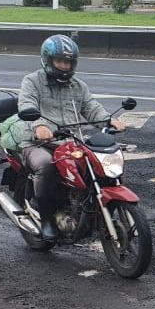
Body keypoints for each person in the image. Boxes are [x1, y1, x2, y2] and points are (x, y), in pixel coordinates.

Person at [18, 34, 125, 240]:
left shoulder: (78, 86)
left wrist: (108, 121)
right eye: (60, 61)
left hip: (70, 141)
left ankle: (97, 209)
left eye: (68, 62)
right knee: (47, 166)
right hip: (38, 142)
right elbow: (26, 105)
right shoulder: (32, 81)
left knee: (100, 165)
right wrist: (39, 125)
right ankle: (47, 218)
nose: (64, 66)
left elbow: (92, 108)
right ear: (48, 60)